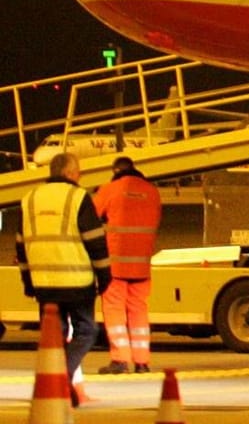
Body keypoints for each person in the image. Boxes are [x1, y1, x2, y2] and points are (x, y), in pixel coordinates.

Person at [16, 150, 110, 402]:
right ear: (70, 173)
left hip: (44, 284)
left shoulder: (29, 199)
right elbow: (95, 241)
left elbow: (21, 245)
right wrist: (104, 275)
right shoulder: (78, 197)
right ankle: (62, 377)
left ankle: (55, 381)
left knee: (53, 338)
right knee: (87, 331)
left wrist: (28, 281)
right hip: (77, 280)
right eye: (78, 172)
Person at [92, 154, 162, 374]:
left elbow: (92, 217)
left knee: (114, 312)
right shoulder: (152, 192)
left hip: (115, 265)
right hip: (142, 265)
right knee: (139, 312)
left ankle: (120, 360)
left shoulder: (109, 189)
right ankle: (142, 362)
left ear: (115, 171)